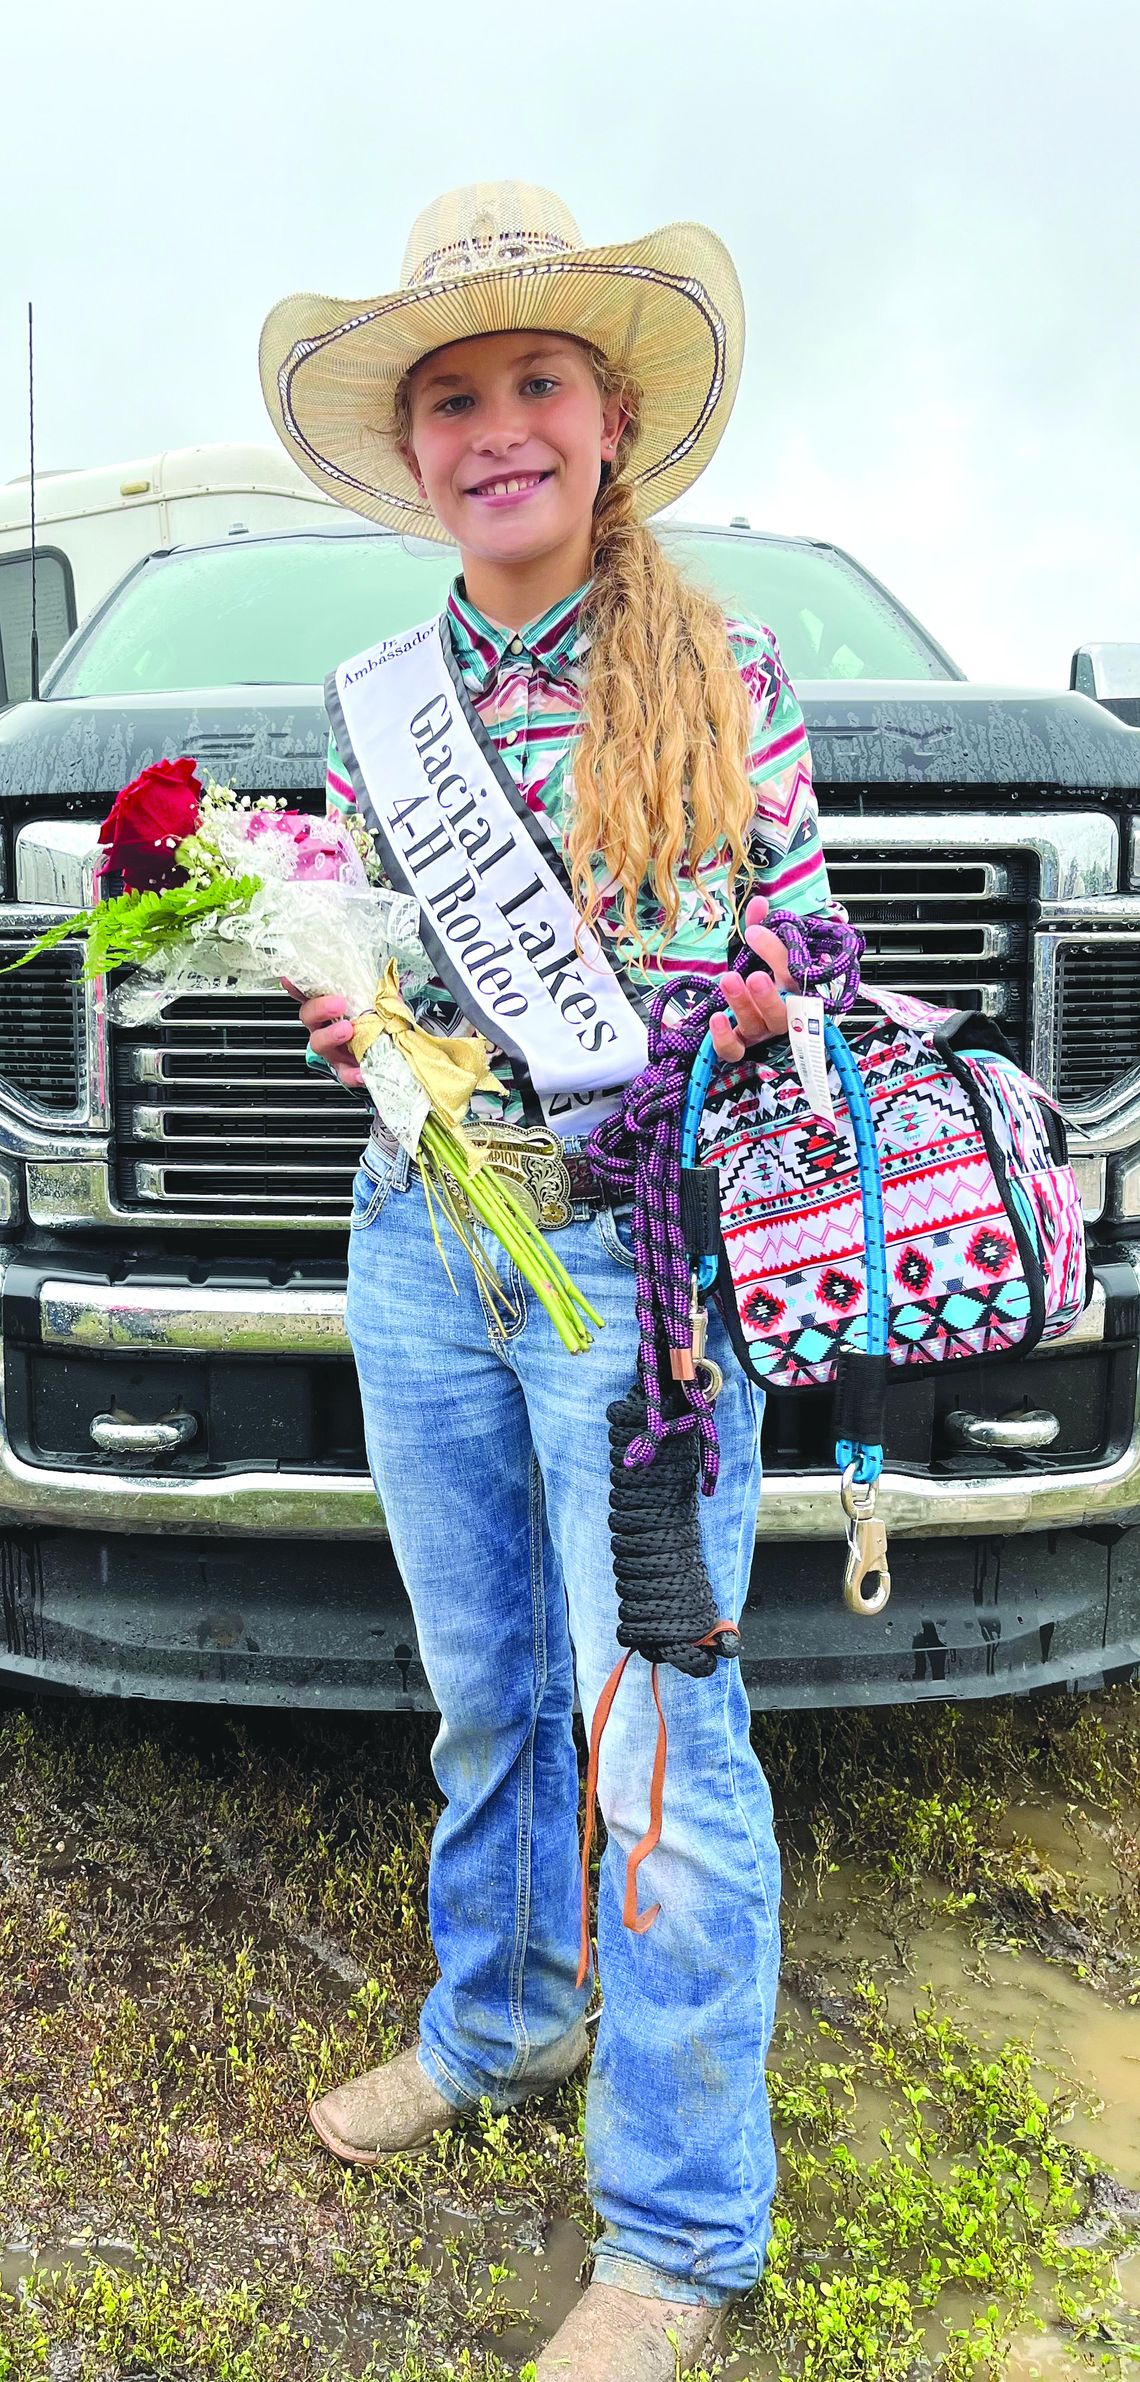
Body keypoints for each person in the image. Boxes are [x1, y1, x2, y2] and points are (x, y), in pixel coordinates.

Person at [259, 181, 837, 2380]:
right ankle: (500, 2024)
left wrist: (744, 998)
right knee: (487, 1685)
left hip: (637, 1273)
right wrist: (353, 1011)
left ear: (608, 425)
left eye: (534, 385)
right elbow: (376, 968)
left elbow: (800, 950)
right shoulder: (374, 700)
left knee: (657, 1736)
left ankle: (681, 2231)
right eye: (453, 399)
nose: (497, 427)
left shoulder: (721, 673)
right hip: (424, 1241)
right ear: (414, 452)